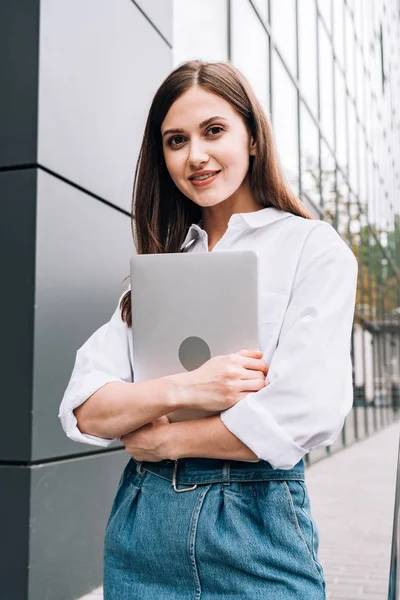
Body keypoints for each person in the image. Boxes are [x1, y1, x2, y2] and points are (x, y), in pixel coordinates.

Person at [58, 60, 358, 599]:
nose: (195, 155)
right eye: (176, 140)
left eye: (213, 131)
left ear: (253, 138)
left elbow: (305, 411)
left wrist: (163, 436)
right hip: (143, 528)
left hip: (257, 526)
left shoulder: (311, 249)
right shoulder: (155, 275)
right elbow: (85, 407)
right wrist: (188, 388)